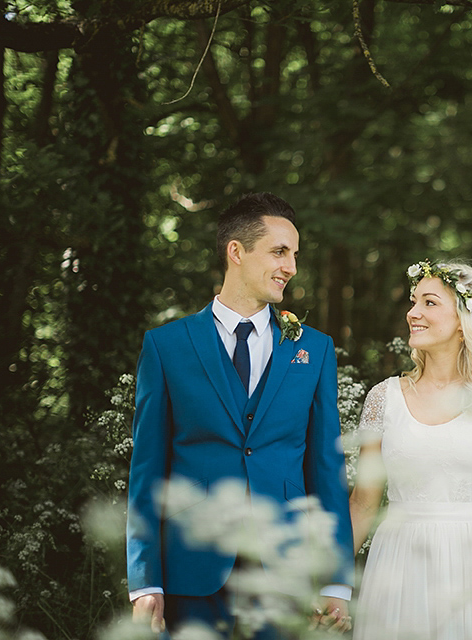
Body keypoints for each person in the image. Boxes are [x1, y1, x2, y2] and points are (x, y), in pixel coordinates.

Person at [126, 192, 354, 639]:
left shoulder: (314, 348)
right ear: (236, 252)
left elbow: (327, 468)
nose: (290, 266)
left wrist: (335, 578)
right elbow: (147, 470)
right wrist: (144, 581)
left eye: (294, 255)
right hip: (191, 569)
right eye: (279, 252)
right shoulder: (166, 346)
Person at [349, 260, 472, 640]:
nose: (412, 313)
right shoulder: (383, 397)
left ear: (464, 317)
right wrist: (330, 586)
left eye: (429, 303)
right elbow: (363, 503)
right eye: (413, 301)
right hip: (395, 567)